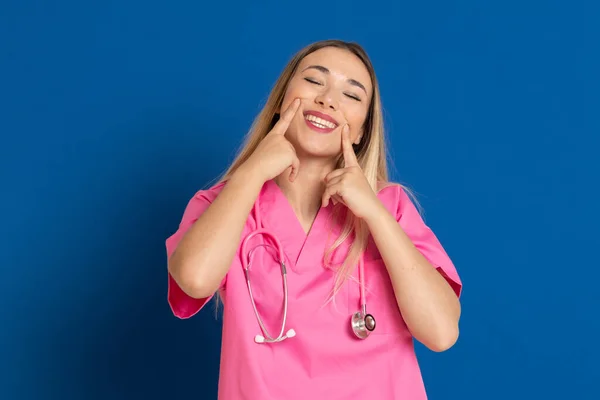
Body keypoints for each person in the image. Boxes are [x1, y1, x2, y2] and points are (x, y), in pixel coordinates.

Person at [165, 39, 462, 399]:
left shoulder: (391, 208)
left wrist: (373, 213)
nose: (328, 99)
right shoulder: (223, 204)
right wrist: (249, 174)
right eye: (314, 81)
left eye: (351, 95)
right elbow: (194, 279)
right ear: (281, 100)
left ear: (362, 130)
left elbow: (441, 332)